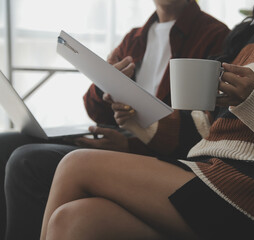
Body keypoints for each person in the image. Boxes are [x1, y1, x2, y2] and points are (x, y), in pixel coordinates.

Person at [39, 0, 254, 239]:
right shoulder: (246, 32)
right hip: (209, 175)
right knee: (74, 220)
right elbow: (202, 128)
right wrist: (137, 117)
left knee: (75, 164)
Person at [3, 0, 229, 239]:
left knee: (26, 160)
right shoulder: (135, 37)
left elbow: (202, 128)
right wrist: (105, 85)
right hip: (117, 137)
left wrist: (130, 145)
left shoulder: (215, 35)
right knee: (8, 144)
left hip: (155, 152)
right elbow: (96, 111)